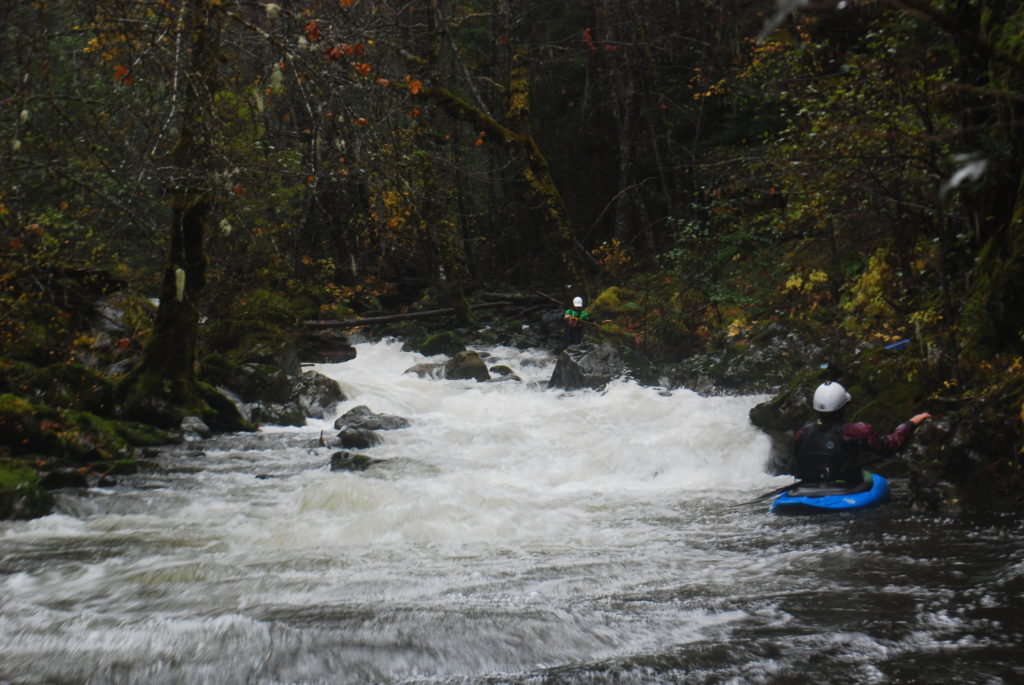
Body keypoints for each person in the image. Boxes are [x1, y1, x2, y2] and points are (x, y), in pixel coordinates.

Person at [790, 381, 932, 485]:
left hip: (809, 487)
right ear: (843, 407)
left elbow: (796, 463)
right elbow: (890, 446)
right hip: (844, 487)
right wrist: (911, 423)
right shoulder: (855, 431)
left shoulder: (802, 433)